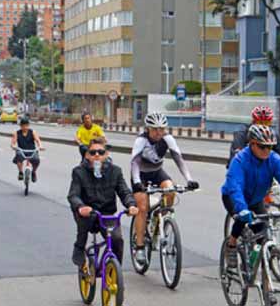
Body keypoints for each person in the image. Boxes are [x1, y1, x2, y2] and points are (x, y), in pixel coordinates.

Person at [130, 112, 200, 264]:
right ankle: (140, 246)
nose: (158, 132)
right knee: (142, 207)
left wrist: (189, 179)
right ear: (148, 128)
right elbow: (134, 163)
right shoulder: (141, 140)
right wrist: (136, 182)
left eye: (162, 129)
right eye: (155, 129)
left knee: (171, 190)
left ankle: (160, 223)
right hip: (140, 175)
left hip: (157, 172)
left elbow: (179, 160)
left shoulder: (167, 139)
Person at [67, 137, 139, 268]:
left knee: (117, 241)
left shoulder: (115, 171)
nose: (96, 155)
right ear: (87, 155)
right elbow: (73, 195)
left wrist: (131, 204)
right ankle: (79, 246)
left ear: (106, 155)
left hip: (107, 214)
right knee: (84, 223)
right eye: (93, 152)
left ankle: (113, 271)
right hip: (88, 213)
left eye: (100, 152)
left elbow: (124, 191)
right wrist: (81, 207)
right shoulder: (79, 172)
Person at [228, 106, 280, 183]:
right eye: (259, 122)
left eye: (266, 123)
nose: (263, 125)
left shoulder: (272, 135)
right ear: (253, 121)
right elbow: (236, 154)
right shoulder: (242, 133)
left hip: (264, 169)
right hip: (245, 169)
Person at [11, 117, 44, 182]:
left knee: (37, 160)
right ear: (20, 126)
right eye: (23, 125)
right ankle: (20, 172)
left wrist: (40, 146)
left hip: (32, 151)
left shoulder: (32, 132)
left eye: (26, 125)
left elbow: (38, 140)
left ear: (28, 125)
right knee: (18, 157)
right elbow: (13, 143)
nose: (25, 127)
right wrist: (13, 146)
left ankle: (33, 172)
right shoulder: (16, 133)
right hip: (21, 151)